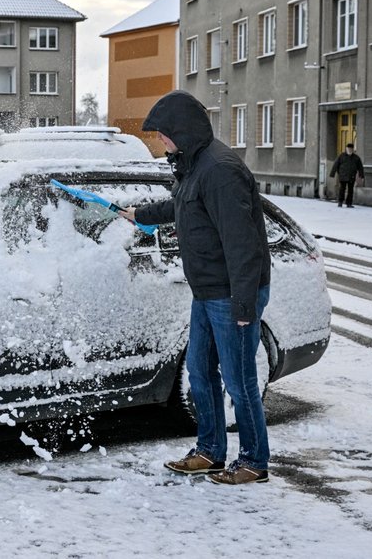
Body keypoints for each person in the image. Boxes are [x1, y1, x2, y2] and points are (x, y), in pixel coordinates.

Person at [118, 90, 272, 485]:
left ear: (182, 131)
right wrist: (141, 215)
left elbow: (244, 246)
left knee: (239, 382)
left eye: (164, 134)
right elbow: (184, 206)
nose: (162, 142)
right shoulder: (195, 166)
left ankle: (254, 462)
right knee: (201, 374)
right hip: (206, 291)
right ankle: (211, 451)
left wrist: (243, 306)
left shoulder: (220, 170)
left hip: (231, 293)